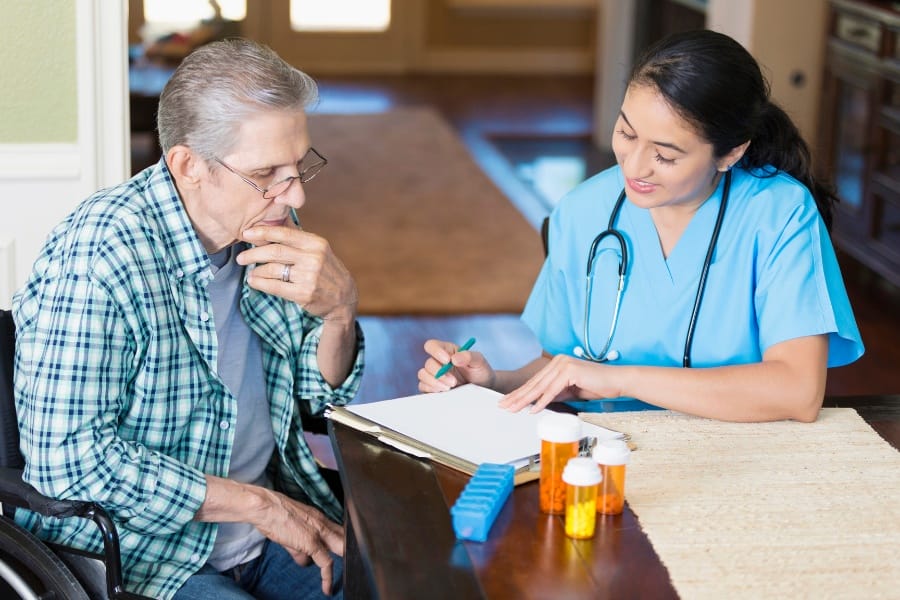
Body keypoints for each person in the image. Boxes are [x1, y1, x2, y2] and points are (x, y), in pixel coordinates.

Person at [13, 39, 363, 599]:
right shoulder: (102, 254)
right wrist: (261, 506)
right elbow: (69, 465)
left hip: (265, 532)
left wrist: (340, 314)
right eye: (267, 172)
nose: (293, 192)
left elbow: (314, 399)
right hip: (135, 557)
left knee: (403, 582)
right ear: (188, 165)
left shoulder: (269, 225)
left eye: (299, 165)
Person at [419, 30, 864, 423]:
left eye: (666, 155)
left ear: (729, 154)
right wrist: (491, 381)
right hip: (606, 454)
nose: (634, 167)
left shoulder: (779, 212)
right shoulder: (582, 210)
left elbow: (798, 391)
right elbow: (564, 365)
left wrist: (622, 380)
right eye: (627, 134)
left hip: (740, 459)